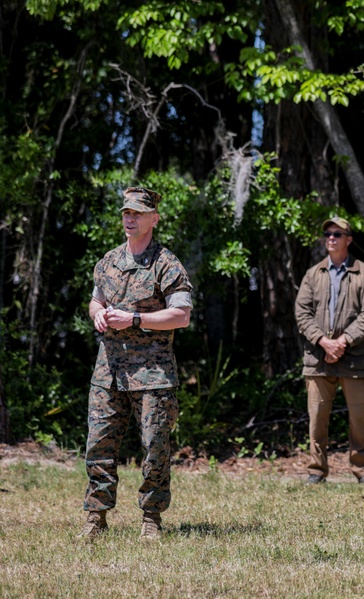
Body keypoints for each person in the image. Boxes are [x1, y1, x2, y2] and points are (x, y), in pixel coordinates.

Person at [80, 187, 193, 541]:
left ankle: (151, 518)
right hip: (108, 373)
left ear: (153, 219)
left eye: (138, 214)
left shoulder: (167, 264)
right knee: (98, 446)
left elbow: (181, 315)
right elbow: (95, 302)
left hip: (153, 375)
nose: (130, 219)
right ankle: (96, 517)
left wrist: (134, 319)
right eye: (126, 213)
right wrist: (98, 316)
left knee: (154, 448)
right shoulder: (108, 261)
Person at [295, 216, 364, 484]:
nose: (331, 238)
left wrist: (343, 342)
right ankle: (316, 471)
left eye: (337, 234)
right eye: (328, 234)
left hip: (354, 359)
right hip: (319, 360)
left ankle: (362, 469)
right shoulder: (313, 274)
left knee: (359, 417)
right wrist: (323, 341)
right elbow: (302, 313)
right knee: (317, 419)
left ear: (349, 239)